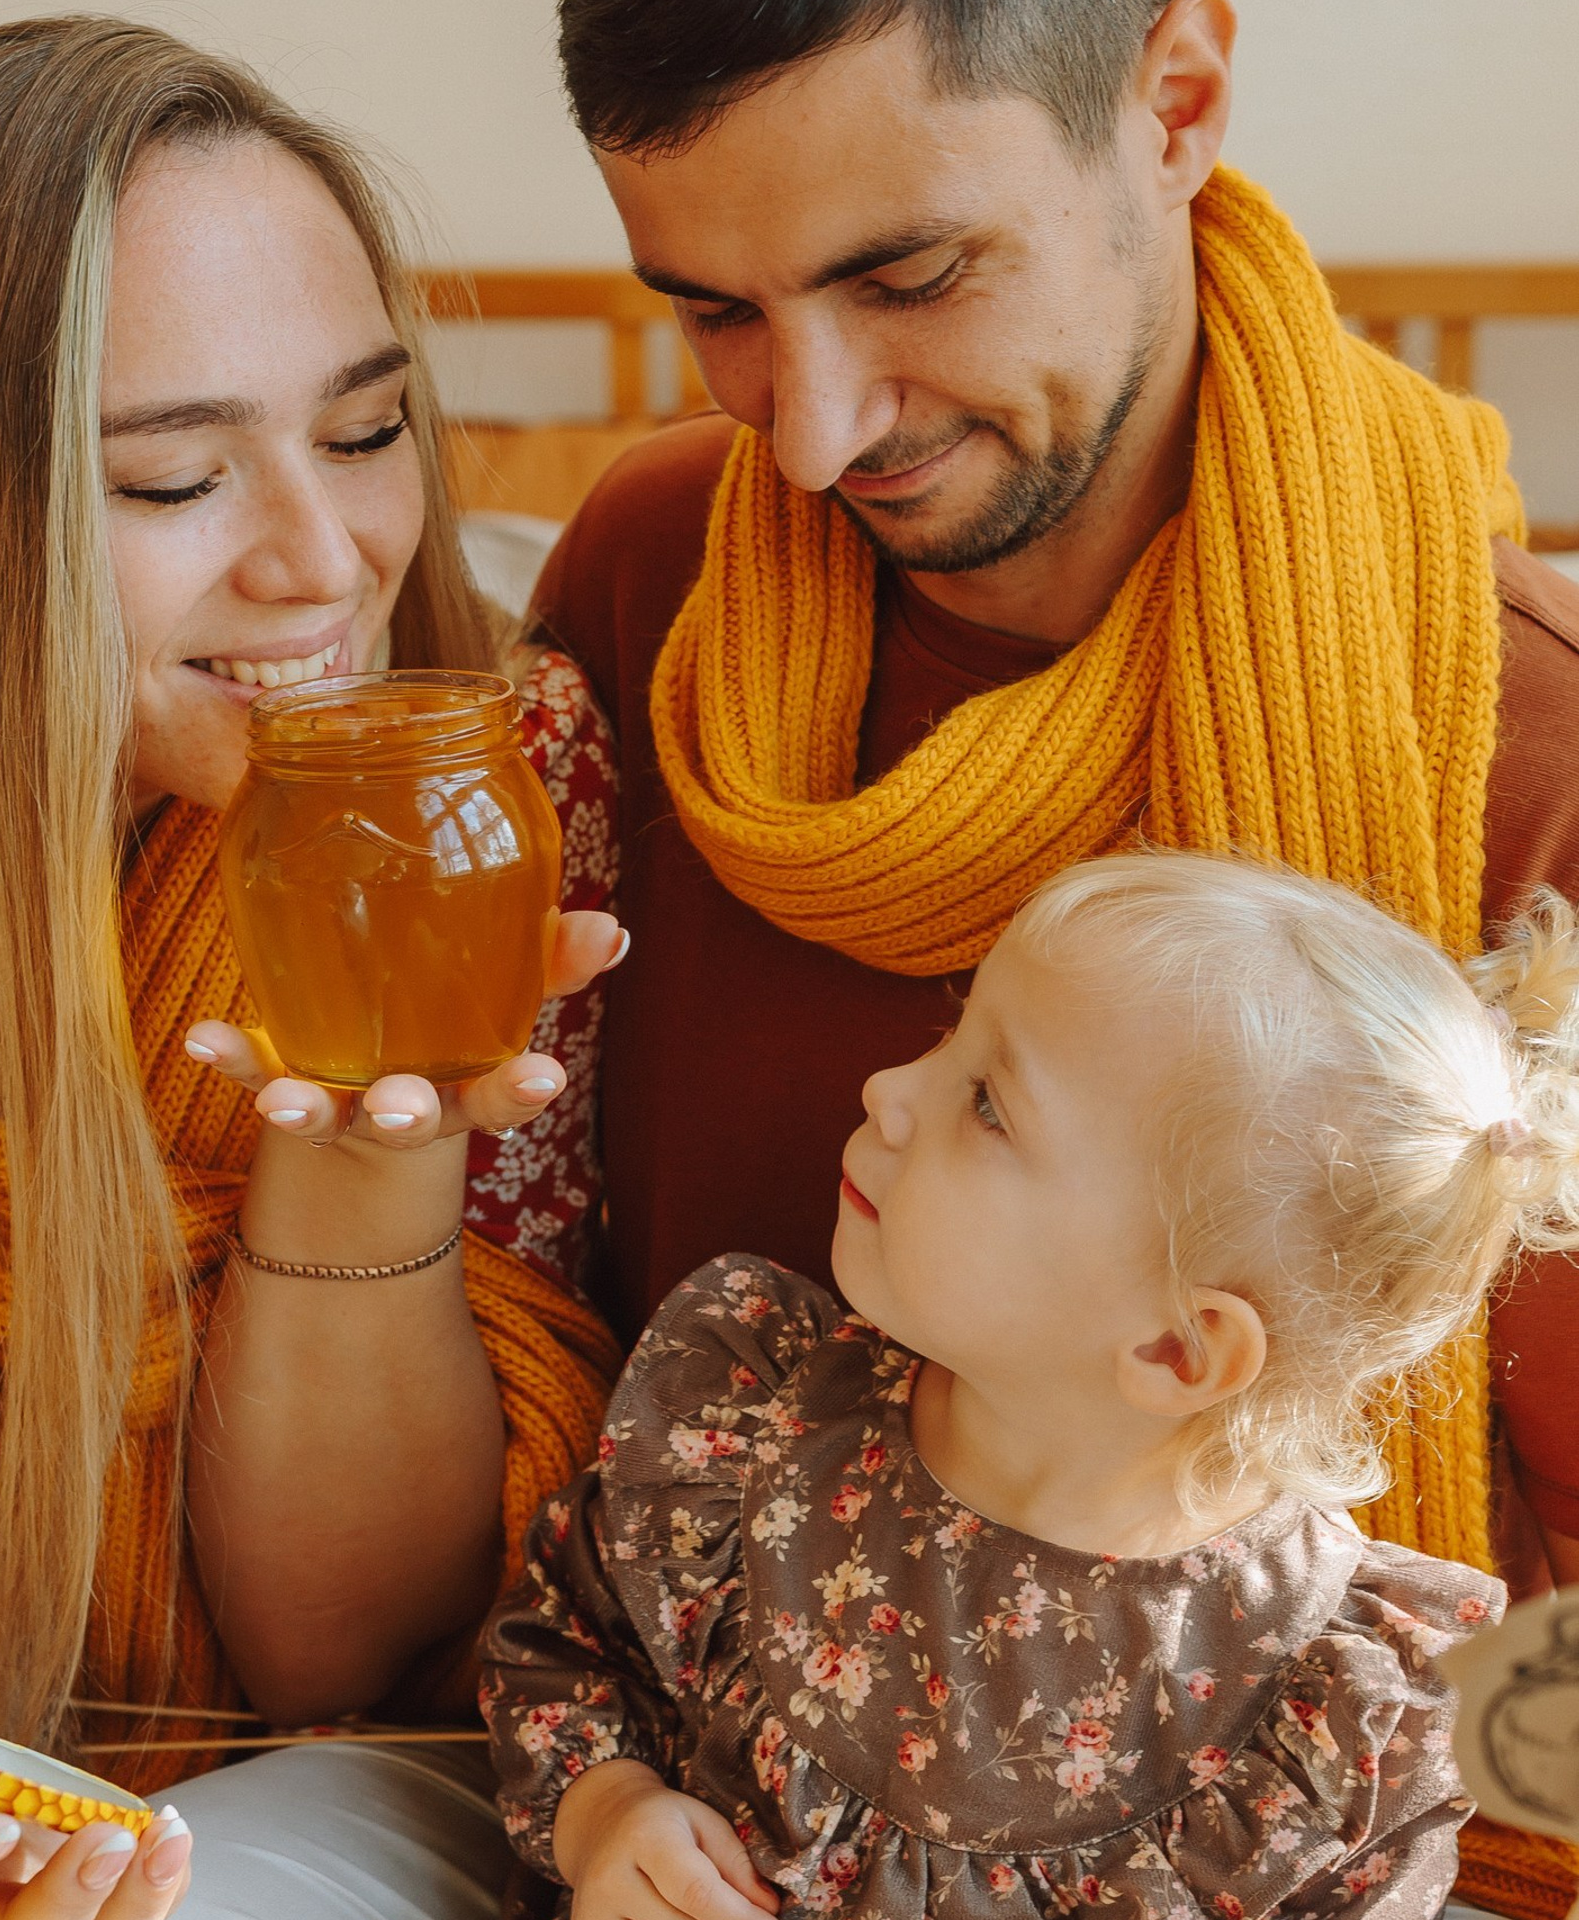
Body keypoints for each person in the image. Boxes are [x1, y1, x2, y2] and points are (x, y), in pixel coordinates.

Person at [530, 6, 1579, 1907]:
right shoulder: (645, 577)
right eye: (715, 312)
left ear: (1174, 100)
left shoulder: (1537, 759)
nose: (815, 431)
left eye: (911, 275)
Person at [0, 18, 623, 1918]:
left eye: (367, 433)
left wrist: (363, 1158)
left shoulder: (495, 789)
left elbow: (345, 1661)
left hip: (307, 1797)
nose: (324, 562)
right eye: (178, 480)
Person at [482, 850, 1579, 1920]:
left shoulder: (1322, 1709)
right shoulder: (757, 1418)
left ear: (1176, 1350)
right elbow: (568, 1645)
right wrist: (608, 1816)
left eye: (990, 1105)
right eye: (951, 1035)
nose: (887, 1089)